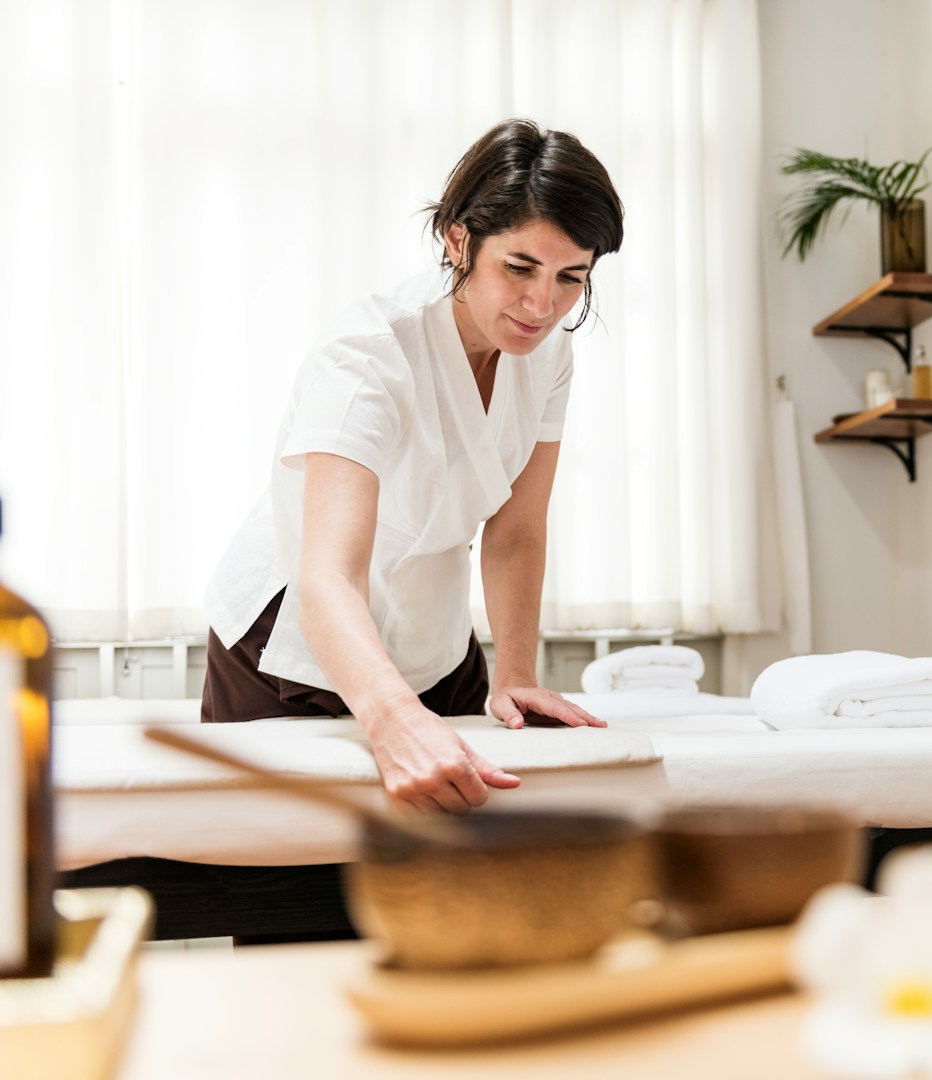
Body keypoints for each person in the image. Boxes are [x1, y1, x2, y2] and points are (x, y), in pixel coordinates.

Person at [201, 119, 623, 814]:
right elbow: (328, 573)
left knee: (459, 861)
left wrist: (516, 674)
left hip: (434, 636)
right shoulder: (368, 354)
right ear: (458, 241)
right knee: (298, 870)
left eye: (571, 277)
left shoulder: (547, 351)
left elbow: (516, 530)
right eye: (519, 268)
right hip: (294, 638)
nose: (543, 305)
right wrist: (393, 716)